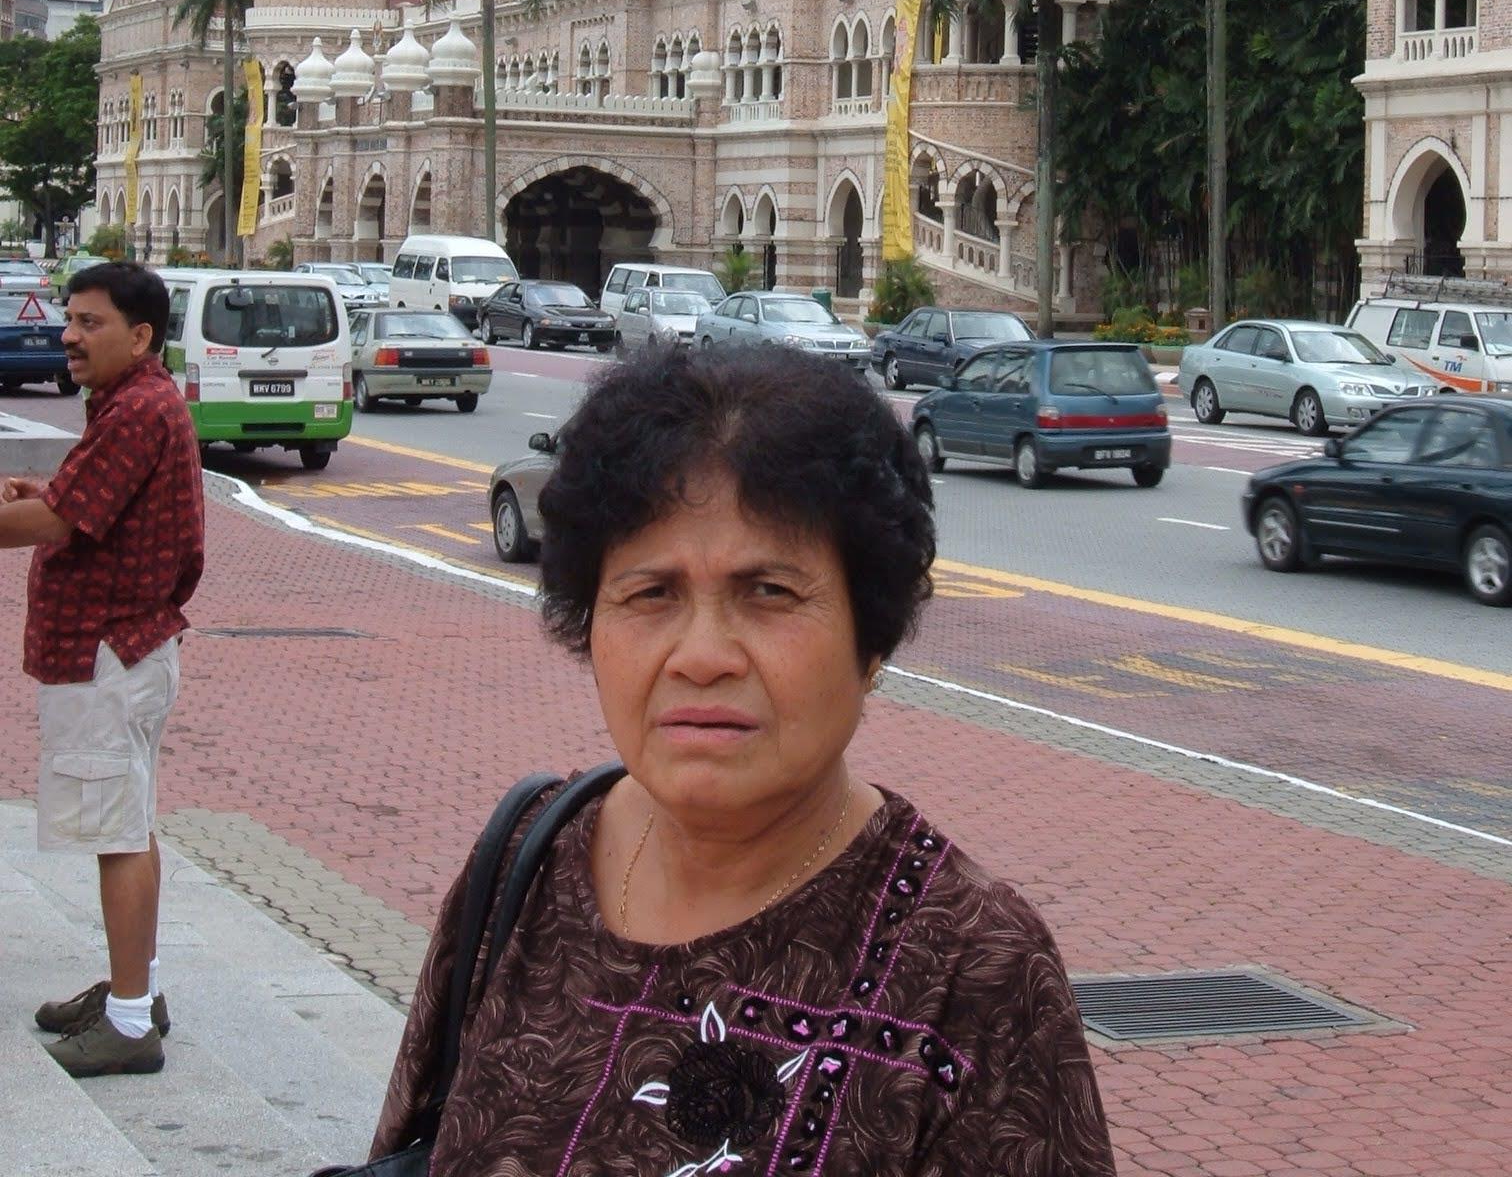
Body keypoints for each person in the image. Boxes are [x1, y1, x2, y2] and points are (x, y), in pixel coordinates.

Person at [372, 344, 1115, 1174]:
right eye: (650, 594)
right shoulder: (524, 867)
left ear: (870, 638)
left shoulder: (974, 969)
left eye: (769, 594)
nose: (702, 656)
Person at [0, 260, 204, 1078]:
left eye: (89, 323)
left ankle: (128, 1023)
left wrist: (36, 504)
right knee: (127, 824)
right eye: (70, 320)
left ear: (140, 335)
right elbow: (84, 504)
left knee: (116, 833)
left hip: (110, 652)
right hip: (129, 648)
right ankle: (134, 991)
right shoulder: (135, 402)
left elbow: (56, 520)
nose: (69, 335)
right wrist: (43, 491)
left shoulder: (136, 410)